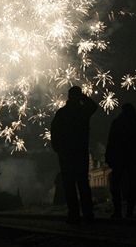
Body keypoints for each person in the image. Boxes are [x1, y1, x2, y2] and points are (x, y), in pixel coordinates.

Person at [50, 86, 98, 224]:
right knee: (83, 183)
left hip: (66, 154)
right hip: (80, 152)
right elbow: (94, 107)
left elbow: (54, 131)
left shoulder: (62, 113)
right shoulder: (83, 111)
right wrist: (84, 97)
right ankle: (88, 213)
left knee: (69, 186)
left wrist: (57, 148)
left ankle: (74, 214)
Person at [105, 103, 136, 218]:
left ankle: (118, 211)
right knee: (134, 185)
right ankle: (131, 211)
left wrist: (109, 157)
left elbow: (111, 141)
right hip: (134, 159)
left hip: (120, 159)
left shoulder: (117, 123)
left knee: (116, 185)